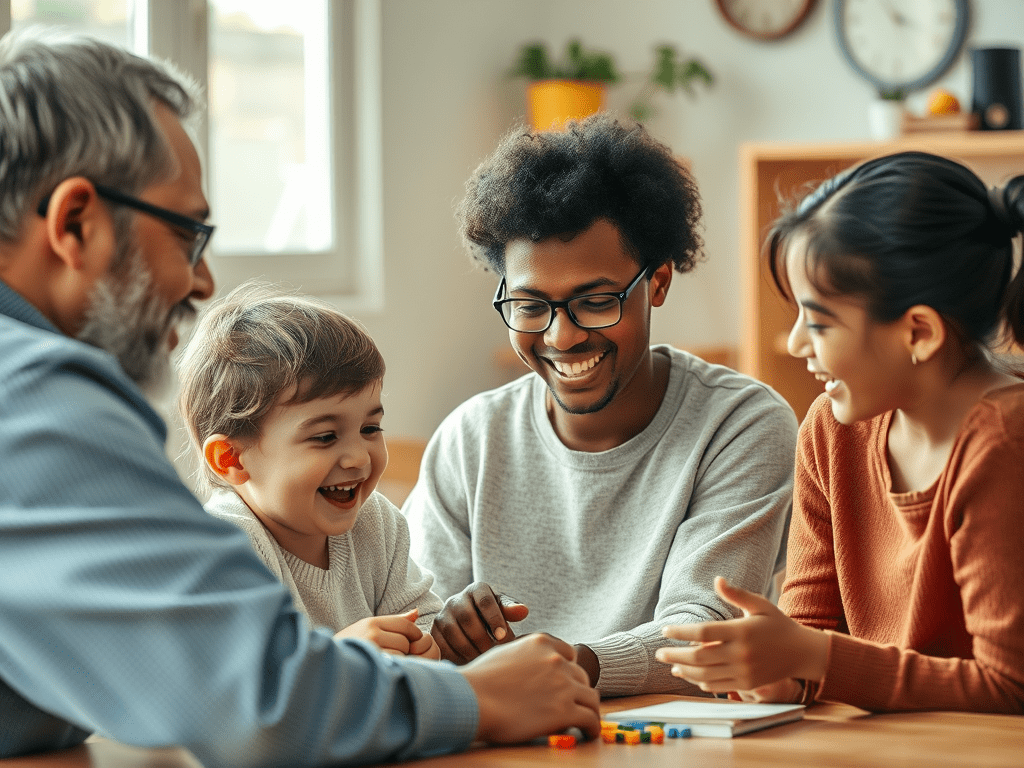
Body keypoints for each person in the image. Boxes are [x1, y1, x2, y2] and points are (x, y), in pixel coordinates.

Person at [0, 27, 599, 764]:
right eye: (187, 234)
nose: (202, 282)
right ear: (75, 223)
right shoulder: (31, 400)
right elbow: (250, 698)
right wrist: (480, 700)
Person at [403, 114, 798, 696]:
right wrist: (445, 632)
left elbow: (706, 633)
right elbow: (409, 621)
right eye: (531, 305)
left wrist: (568, 665)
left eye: (594, 300)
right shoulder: (471, 439)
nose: (561, 337)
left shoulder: (740, 426)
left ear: (657, 282)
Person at [656, 151, 1024, 713]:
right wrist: (776, 673)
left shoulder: (1003, 442)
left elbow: (1009, 688)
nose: (798, 343)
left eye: (820, 321)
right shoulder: (831, 431)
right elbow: (809, 627)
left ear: (918, 332)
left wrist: (816, 661)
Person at [177, 282, 442, 658]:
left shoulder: (376, 523)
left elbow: (423, 618)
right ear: (231, 459)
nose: (359, 458)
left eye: (370, 429)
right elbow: (248, 691)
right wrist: (341, 663)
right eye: (325, 437)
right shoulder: (227, 548)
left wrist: (428, 643)